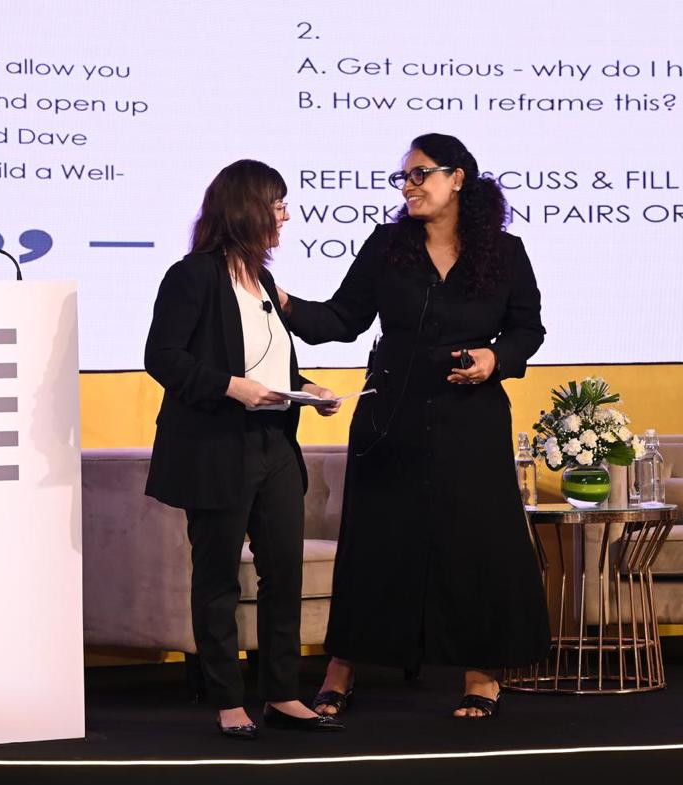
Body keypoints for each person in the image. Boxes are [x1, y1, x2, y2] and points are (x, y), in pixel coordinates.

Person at [276, 133, 550, 718]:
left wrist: (496, 358)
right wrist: (282, 302)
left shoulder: (505, 253)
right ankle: (341, 669)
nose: (409, 185)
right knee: (376, 542)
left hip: (471, 419)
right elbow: (344, 319)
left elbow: (528, 329)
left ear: (458, 179)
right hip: (392, 415)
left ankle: (481, 674)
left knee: (477, 543)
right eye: (404, 176)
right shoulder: (388, 245)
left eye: (421, 173)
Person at [144, 159, 346, 738]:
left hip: (274, 444)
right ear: (246, 208)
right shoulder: (193, 275)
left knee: (283, 572)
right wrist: (231, 387)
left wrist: (308, 389)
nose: (286, 216)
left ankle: (282, 693)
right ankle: (228, 700)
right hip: (216, 446)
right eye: (277, 204)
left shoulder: (262, 284)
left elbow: (268, 364)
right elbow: (163, 358)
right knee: (218, 579)